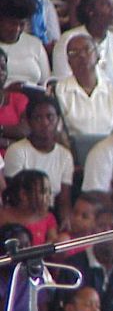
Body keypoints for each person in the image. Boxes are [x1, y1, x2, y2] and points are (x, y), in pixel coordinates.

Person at [4, 95, 74, 228]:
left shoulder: (65, 155)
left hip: (51, 214)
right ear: (29, 122)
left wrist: (65, 221)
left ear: (58, 121)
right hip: (23, 216)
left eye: (50, 117)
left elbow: (64, 200)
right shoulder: (17, 151)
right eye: (38, 118)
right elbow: (14, 197)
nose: (45, 123)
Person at [54, 33, 113, 136]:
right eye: (74, 52)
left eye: (87, 50)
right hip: (72, 145)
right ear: (69, 61)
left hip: (109, 145)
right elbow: (58, 132)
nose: (82, 55)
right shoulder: (59, 91)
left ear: (98, 55)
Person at [0, 0, 51, 89]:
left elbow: (46, 83)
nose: (17, 29)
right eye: (12, 23)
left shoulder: (35, 44)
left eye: (22, 24)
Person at [0, 170, 57, 246]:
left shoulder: (48, 218)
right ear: (23, 195)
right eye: (43, 192)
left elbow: (52, 241)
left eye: (49, 192)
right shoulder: (3, 217)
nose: (48, 197)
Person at [0, 49, 30, 157]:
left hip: (16, 158)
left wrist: (3, 139)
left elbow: (25, 131)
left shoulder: (18, 98)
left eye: (3, 68)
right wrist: (10, 141)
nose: (0, 72)